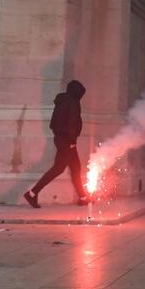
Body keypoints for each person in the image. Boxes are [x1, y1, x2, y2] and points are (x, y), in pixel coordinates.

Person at [24, 80, 90, 208]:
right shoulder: (73, 102)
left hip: (60, 138)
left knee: (75, 168)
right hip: (67, 140)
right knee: (58, 168)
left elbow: (55, 122)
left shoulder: (62, 101)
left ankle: (83, 197)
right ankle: (32, 193)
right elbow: (73, 121)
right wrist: (72, 141)